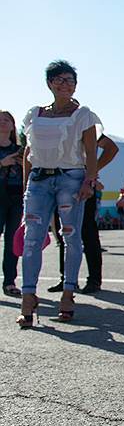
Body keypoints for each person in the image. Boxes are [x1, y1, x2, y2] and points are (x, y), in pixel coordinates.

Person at [18, 61, 101, 327]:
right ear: (50, 83)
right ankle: (28, 296)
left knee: (71, 236)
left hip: (71, 178)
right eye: (60, 80)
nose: (66, 84)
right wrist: (26, 184)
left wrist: (90, 180)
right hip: (39, 180)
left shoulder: (83, 115)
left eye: (71, 80)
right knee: (32, 238)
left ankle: (68, 293)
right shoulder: (35, 114)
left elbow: (91, 152)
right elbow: (28, 154)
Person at [47, 133, 118, 294]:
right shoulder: (54, 122)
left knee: (87, 231)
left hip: (82, 185)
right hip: (59, 184)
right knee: (63, 231)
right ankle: (66, 279)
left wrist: (92, 170)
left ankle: (94, 279)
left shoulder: (84, 126)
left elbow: (112, 148)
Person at [0, 111, 23, 297]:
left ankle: (9, 281)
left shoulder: (20, 149)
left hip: (16, 198)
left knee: (12, 241)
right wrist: (3, 163)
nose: (3, 122)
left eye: (6, 120)